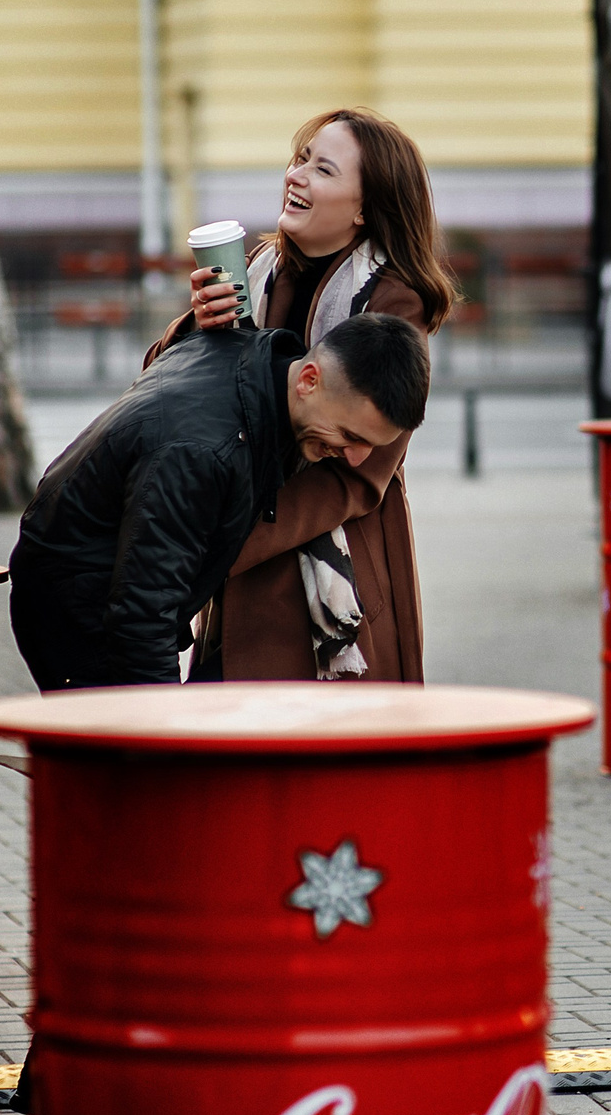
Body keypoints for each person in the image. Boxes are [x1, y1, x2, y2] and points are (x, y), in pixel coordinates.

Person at [146, 105, 458, 682]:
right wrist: (197, 327)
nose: (297, 175)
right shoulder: (257, 270)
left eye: (323, 169)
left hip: (332, 574)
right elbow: (161, 391)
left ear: (365, 208)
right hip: (235, 550)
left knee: (321, 731)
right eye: (300, 159)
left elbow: (360, 474)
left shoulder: (394, 303)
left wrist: (221, 547)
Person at [9, 312, 430, 691]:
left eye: (371, 446)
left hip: (92, 590)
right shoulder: (203, 453)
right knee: (122, 751)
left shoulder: (250, 361)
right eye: (350, 436)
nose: (356, 459)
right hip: (74, 614)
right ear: (308, 380)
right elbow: (144, 613)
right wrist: (165, 732)